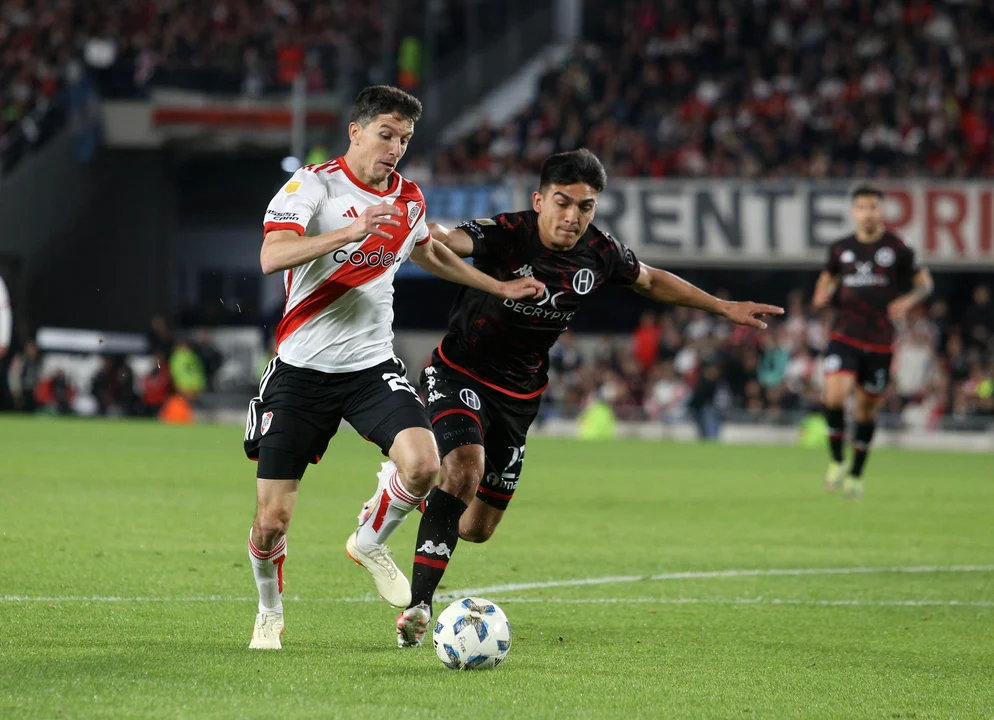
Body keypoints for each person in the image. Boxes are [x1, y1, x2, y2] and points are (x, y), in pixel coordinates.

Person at [391, 148, 783, 647]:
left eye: (586, 206)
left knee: (476, 528)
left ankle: (404, 486)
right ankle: (419, 608)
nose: (574, 216)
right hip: (458, 371)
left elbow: (650, 280)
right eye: (563, 202)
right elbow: (449, 239)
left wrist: (721, 305)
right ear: (539, 200)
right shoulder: (507, 232)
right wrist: (427, 230)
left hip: (520, 395)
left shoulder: (599, 252)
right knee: (464, 468)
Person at [242, 85, 542, 650]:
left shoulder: (408, 197)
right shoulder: (314, 185)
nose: (395, 148)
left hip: (370, 367)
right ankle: (268, 609)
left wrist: (497, 286)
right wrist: (348, 232)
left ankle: (368, 539)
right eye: (386, 134)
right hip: (300, 372)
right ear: (355, 131)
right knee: (271, 522)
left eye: (404, 139)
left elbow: (430, 252)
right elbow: (271, 255)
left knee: (425, 463)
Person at [812, 185, 933, 500]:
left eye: (874, 207)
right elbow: (828, 276)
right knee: (835, 396)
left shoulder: (898, 249)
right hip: (844, 333)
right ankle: (837, 460)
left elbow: (924, 284)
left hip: (879, 340)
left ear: (882, 212)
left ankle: (855, 474)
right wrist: (821, 291)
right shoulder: (840, 248)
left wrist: (907, 302)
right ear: (854, 212)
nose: (868, 212)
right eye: (862, 207)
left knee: (866, 410)